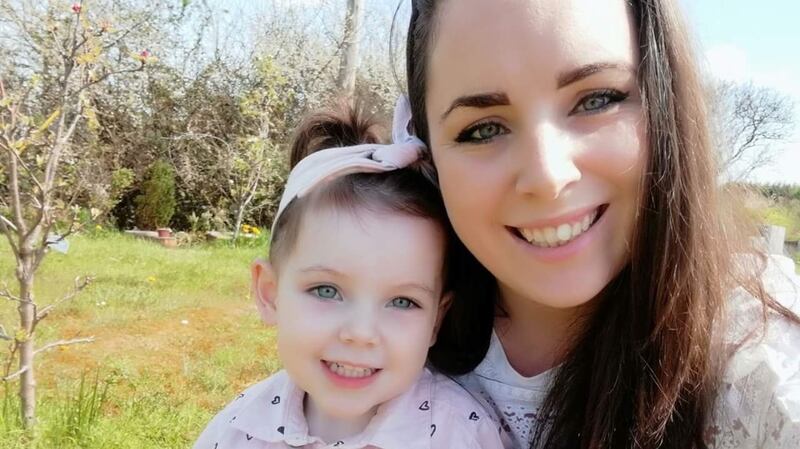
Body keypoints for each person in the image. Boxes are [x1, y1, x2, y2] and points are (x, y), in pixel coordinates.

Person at [402, 0, 800, 448]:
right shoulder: (355, 327)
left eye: (597, 100)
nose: (547, 177)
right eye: (483, 130)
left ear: (664, 100)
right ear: (424, 150)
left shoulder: (759, 370)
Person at [191, 98, 506, 449]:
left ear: (436, 320)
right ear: (270, 293)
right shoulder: (239, 428)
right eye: (326, 291)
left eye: (403, 301)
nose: (361, 333)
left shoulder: (458, 434)